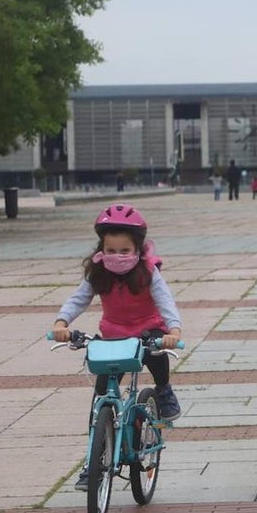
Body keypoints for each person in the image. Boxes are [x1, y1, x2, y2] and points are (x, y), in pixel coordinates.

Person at [52, 204, 183, 490]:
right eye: (110, 251)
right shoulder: (98, 272)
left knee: (155, 351)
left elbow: (165, 300)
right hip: (113, 335)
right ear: (101, 248)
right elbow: (79, 298)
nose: (117, 257)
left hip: (148, 329)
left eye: (124, 251)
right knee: (100, 401)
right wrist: (62, 322)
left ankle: (163, 390)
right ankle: (93, 462)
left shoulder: (147, 271)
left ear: (138, 249)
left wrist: (173, 330)